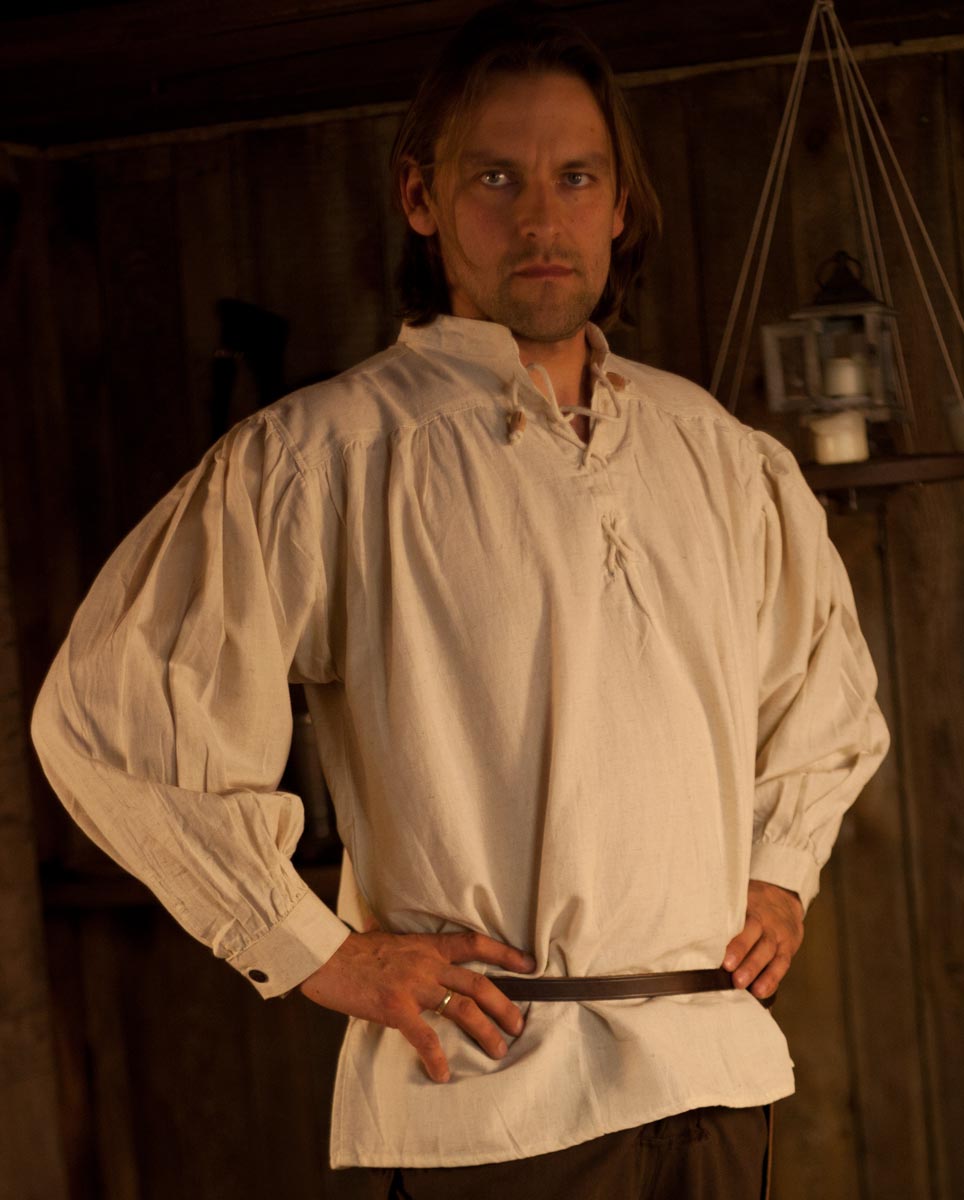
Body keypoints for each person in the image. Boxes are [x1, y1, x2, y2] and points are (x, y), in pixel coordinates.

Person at [32, 3, 889, 1196]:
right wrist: (314, 951)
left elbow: (823, 689)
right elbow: (115, 712)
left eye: (575, 177)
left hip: (713, 1078)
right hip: (494, 1103)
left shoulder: (714, 451)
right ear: (420, 196)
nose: (540, 218)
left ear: (619, 204)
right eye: (495, 177)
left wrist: (783, 867)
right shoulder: (325, 457)